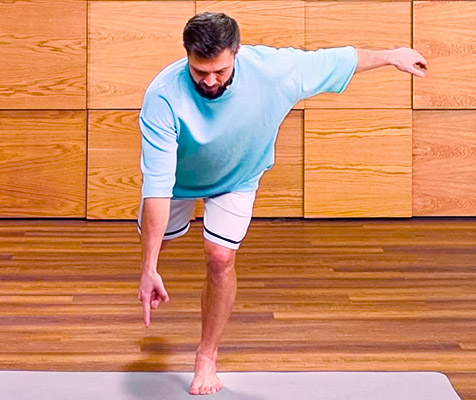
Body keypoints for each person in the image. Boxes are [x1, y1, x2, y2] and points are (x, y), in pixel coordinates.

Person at [136, 12, 428, 396]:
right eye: (199, 72)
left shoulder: (275, 71)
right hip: (178, 182)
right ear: (187, 56)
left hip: (237, 177)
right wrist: (148, 268)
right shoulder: (163, 96)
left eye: (220, 71)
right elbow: (156, 186)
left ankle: (207, 356)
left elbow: (339, 58)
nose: (209, 81)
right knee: (158, 242)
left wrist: (393, 55)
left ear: (237, 52)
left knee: (220, 258)